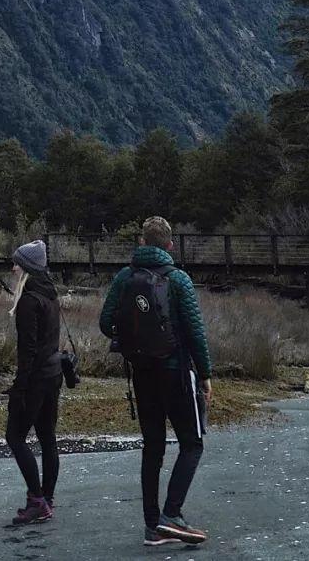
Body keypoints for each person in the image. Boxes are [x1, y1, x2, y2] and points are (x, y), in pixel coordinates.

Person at [99, 216, 212, 548]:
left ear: (142, 242)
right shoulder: (178, 280)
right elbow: (195, 333)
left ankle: (153, 527)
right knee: (192, 444)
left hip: (142, 374)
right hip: (176, 374)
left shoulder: (124, 277)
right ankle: (171, 514)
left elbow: (106, 323)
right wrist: (205, 375)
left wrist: (134, 337)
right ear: (170, 245)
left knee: (153, 449)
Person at [4, 238, 62, 525]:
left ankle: (36, 500)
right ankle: (46, 500)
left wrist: (19, 389)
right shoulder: (50, 295)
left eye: (17, 263)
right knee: (47, 438)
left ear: (26, 269)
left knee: (14, 436)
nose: (13, 267)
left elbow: (26, 352)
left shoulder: (28, 301)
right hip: (53, 374)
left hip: (37, 378)